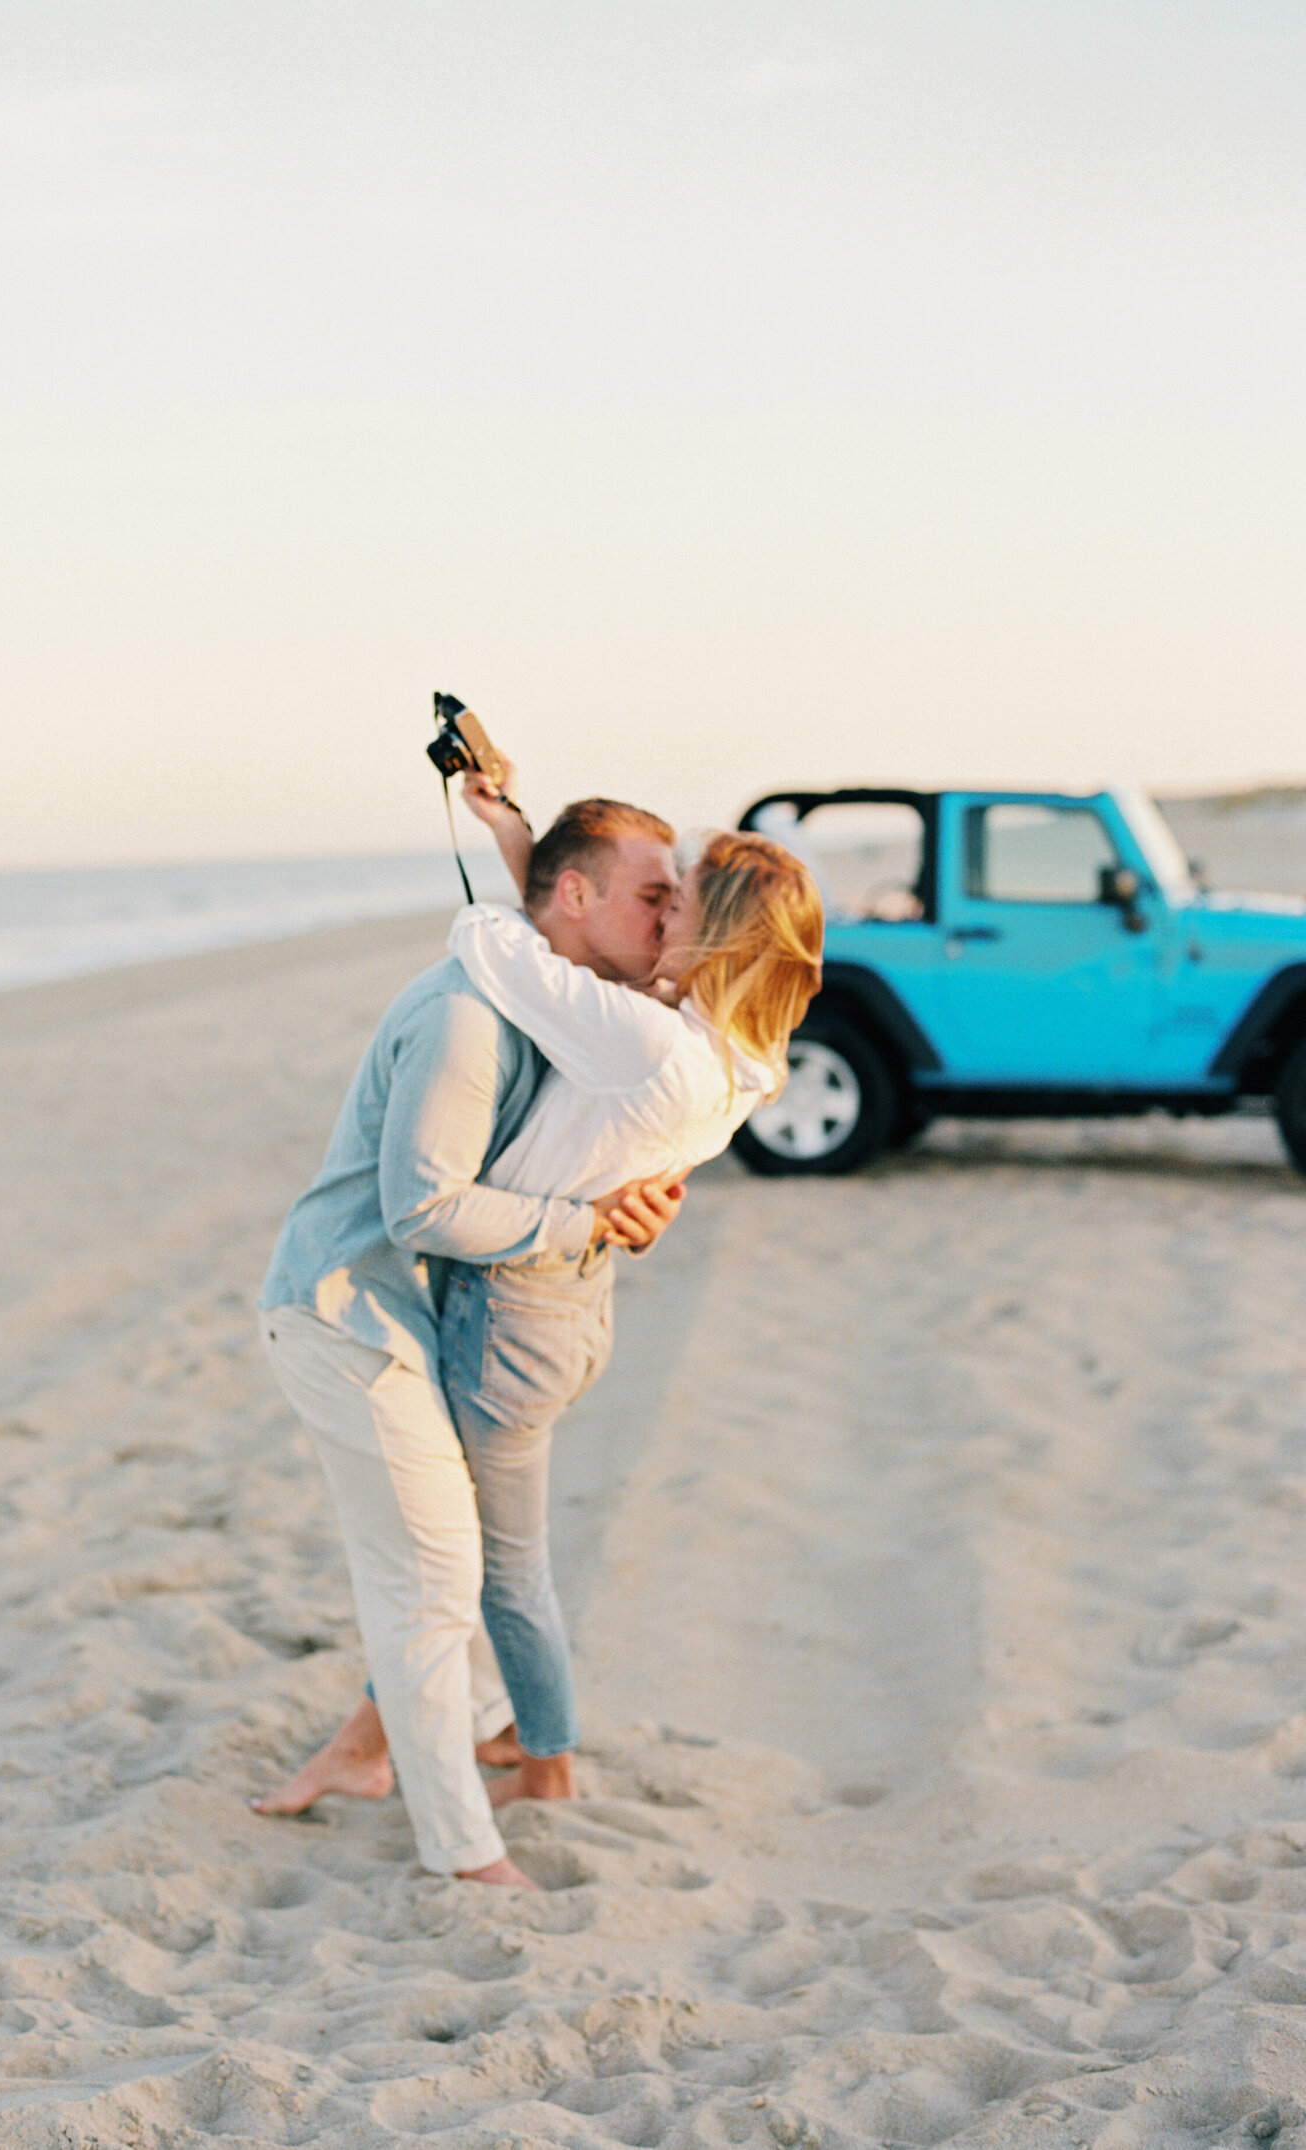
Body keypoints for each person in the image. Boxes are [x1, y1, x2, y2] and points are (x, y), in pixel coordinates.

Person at [266, 773, 824, 1815]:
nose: (660, 914)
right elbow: (571, 929)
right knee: (466, 1552)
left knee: (493, 1569)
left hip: (515, 1315)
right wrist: (518, 840)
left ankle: (545, 1761)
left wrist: (497, 895)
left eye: (678, 902)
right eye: (652, 897)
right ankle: (418, 1735)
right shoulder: (729, 1049)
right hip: (559, 1307)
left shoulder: (655, 1041)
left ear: (712, 938)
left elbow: (512, 951)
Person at [255, 798, 687, 1886]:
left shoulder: (563, 999)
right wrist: (586, 1223)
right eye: (653, 893)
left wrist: (637, 1204)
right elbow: (422, 1209)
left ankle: (380, 1747)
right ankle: (461, 1851)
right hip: (345, 1316)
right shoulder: (467, 1019)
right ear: (578, 898)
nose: (672, 913)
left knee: (461, 1565)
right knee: (437, 1585)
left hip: (427, 1318)